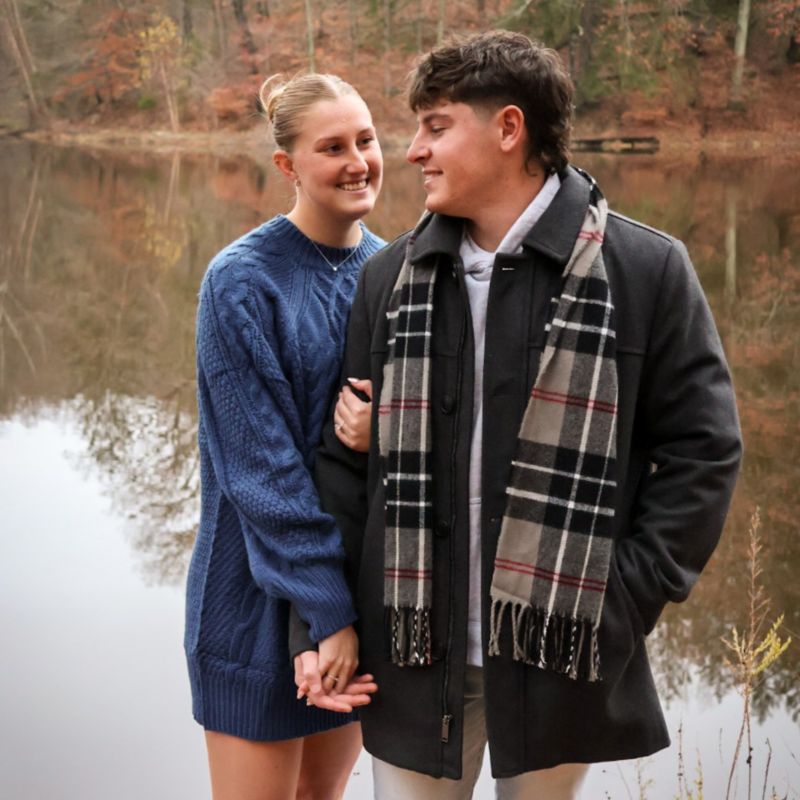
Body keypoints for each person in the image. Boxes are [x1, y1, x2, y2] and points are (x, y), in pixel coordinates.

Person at [308, 31, 743, 799]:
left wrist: (625, 597)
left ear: (509, 129)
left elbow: (703, 454)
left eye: (436, 126)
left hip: (558, 657)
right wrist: (323, 621)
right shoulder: (389, 278)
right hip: (410, 655)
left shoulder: (644, 271)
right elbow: (344, 471)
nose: (412, 151)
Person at [184, 72, 385, 800]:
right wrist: (325, 616)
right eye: (332, 147)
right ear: (287, 165)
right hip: (250, 603)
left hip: (355, 595)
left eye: (366, 140)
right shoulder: (240, 282)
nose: (357, 162)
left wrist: (387, 429)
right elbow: (261, 474)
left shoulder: (393, 273)